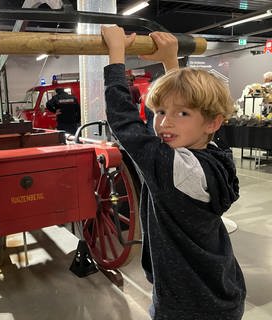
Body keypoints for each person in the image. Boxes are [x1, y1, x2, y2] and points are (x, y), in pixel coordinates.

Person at [101, 25, 246, 320]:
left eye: (181, 114)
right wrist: (171, 60)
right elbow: (193, 118)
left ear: (212, 123)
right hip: (222, 290)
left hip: (186, 305)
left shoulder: (172, 167)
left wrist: (116, 55)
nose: (165, 123)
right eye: (160, 112)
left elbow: (124, 123)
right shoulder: (217, 155)